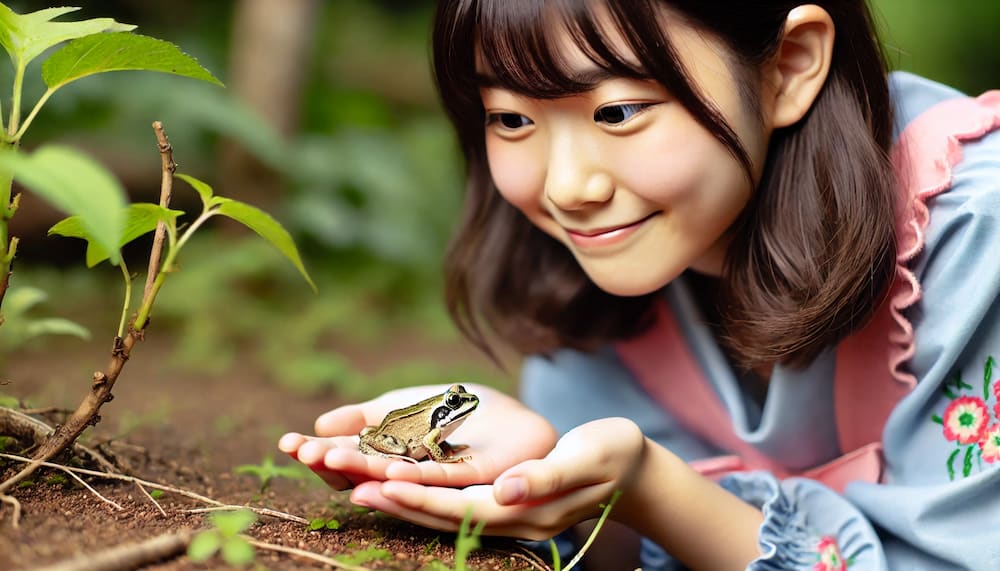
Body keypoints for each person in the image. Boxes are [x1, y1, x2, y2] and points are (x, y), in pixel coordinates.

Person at [279, 1, 1000, 568]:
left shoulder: (971, 225)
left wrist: (653, 488)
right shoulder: (595, 269)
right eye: (511, 117)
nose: (568, 187)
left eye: (617, 112)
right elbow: (628, 553)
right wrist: (553, 479)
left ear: (789, 64)